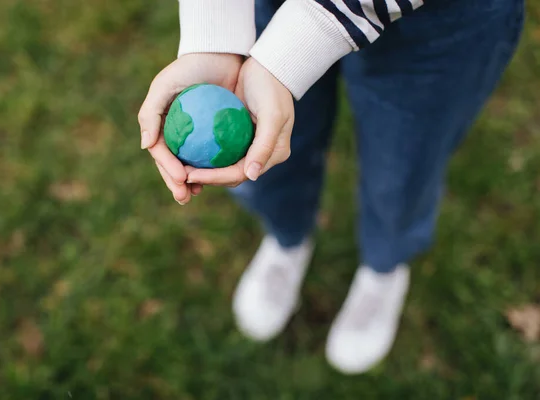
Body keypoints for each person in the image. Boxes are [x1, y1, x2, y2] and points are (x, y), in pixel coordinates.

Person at [138, 0, 524, 374]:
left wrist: (295, 47)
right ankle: (286, 240)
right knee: (269, 148)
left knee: (402, 168)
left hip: (439, 19)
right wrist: (215, 31)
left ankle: (383, 268)